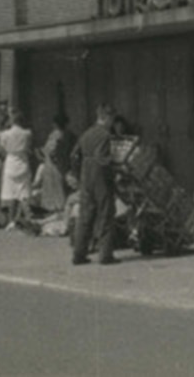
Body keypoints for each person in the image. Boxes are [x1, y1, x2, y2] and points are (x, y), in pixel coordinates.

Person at [71, 104, 120, 266]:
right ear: (105, 117)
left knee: (85, 215)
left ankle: (79, 254)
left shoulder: (86, 133)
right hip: (100, 175)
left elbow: (74, 155)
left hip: (86, 174)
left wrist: (78, 174)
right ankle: (105, 255)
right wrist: (114, 170)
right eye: (112, 119)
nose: (112, 123)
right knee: (106, 213)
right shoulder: (106, 135)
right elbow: (103, 158)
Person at [0, 110, 33, 230]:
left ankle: (11, 220)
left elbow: (3, 148)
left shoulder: (5, 134)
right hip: (22, 161)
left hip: (11, 162)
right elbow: (28, 147)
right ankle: (28, 218)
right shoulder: (27, 133)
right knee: (23, 192)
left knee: (11, 193)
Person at [37, 113, 75, 213]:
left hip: (53, 165)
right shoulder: (68, 134)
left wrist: (45, 154)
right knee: (60, 188)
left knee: (55, 189)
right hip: (61, 164)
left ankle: (56, 210)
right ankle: (60, 209)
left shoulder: (56, 135)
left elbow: (51, 150)